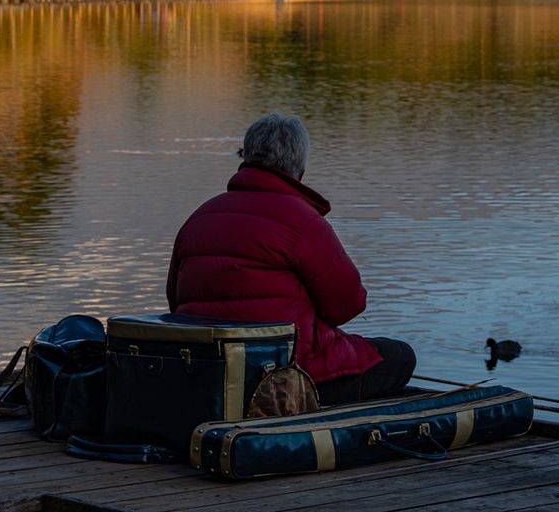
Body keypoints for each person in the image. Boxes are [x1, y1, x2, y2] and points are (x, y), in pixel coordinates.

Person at [166, 113, 416, 405]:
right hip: (285, 375)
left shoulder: (199, 218)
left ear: (247, 157)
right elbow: (348, 305)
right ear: (300, 166)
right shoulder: (302, 221)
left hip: (209, 373)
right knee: (400, 356)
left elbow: (176, 301)